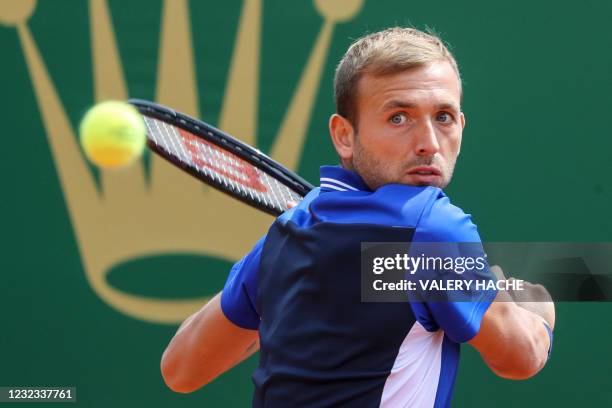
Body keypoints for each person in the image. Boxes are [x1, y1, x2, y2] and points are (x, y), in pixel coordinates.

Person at [160, 27, 555, 407]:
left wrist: (298, 298)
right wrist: (535, 308)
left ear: (461, 126)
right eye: (399, 117)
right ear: (344, 136)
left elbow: (182, 368)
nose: (429, 143)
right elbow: (519, 358)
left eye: (444, 117)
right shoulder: (432, 228)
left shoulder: (288, 238)